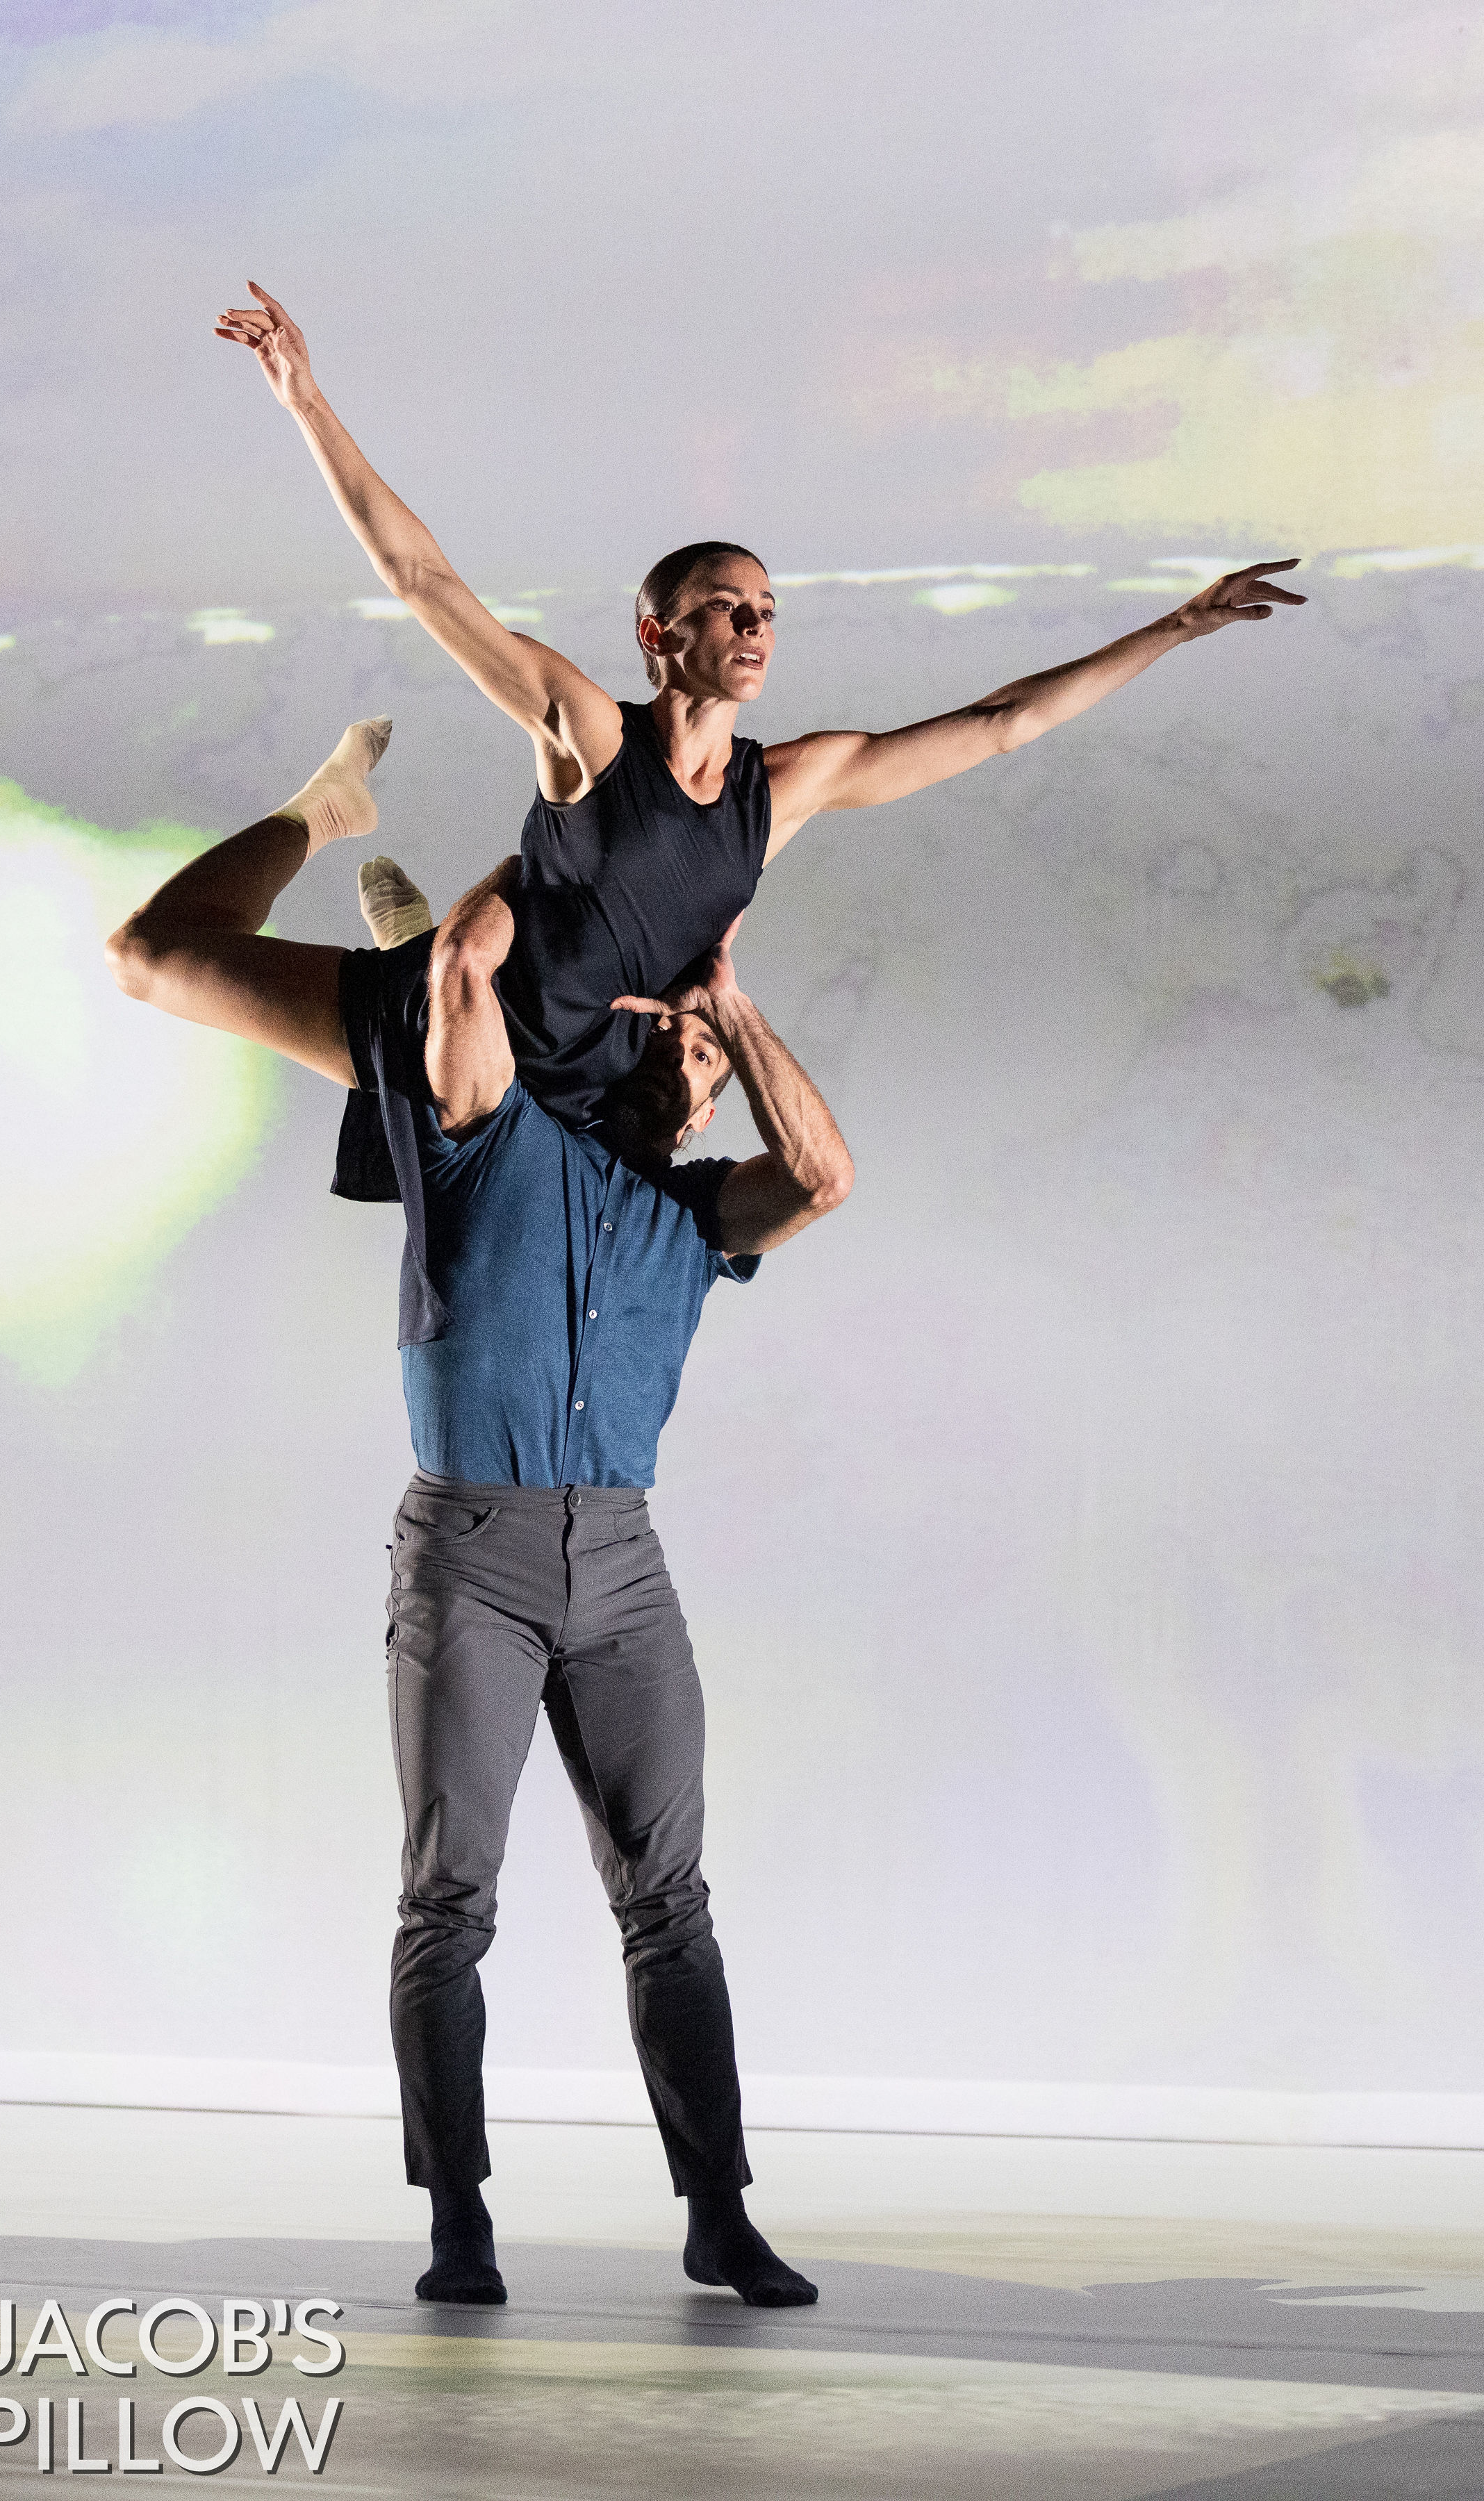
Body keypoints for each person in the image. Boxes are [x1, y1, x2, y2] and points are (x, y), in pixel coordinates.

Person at [105, 723, 855, 2310]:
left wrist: (733, 1008)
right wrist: (580, 858)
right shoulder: (494, 1138)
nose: (694, 1071)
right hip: (474, 1552)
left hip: (623, 1565)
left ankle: (720, 2212)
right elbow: (467, 970)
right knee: (449, 1900)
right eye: (675, 1044)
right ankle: (459, 2221)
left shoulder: (696, 1217)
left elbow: (827, 1175)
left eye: (706, 1067)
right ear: (610, 1042)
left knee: (670, 1902)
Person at [212, 280, 1307, 1187]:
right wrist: (305, 397)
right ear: (659, 633)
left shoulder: (784, 788)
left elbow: (1002, 723)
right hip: (462, 1039)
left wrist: (1175, 627)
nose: (754, 625)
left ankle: (411, 928)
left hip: (585, 1098)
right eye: (728, 606)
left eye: (768, 611)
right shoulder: (588, 734)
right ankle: (352, 852)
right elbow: (422, 578)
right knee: (157, 958)